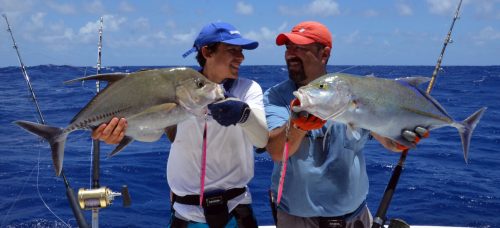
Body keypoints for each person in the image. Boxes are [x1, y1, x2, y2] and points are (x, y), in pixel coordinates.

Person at [92, 22, 269, 228]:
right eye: (232, 50)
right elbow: (152, 133)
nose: (241, 57)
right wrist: (120, 133)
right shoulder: (181, 89)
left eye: (241, 51)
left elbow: (261, 139)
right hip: (186, 214)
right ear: (207, 52)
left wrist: (243, 115)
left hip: (236, 211)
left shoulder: (247, 89)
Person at [263, 21, 428, 228]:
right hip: (298, 220)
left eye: (300, 48)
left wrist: (402, 140)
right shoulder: (276, 96)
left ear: (324, 54)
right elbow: (277, 152)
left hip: (355, 218)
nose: (290, 54)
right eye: (288, 48)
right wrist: (298, 126)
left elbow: (388, 141)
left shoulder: (352, 92)